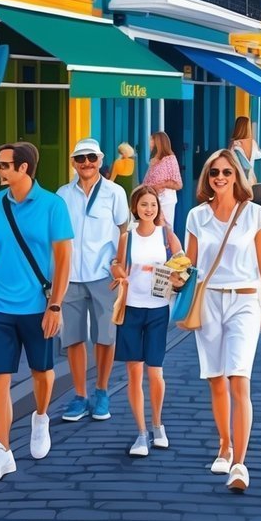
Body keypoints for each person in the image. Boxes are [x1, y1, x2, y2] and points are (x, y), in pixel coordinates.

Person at [0, 142, 72, 482]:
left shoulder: (53, 206)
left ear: (24, 169)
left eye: (4, 165)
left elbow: (64, 259)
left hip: (38, 307)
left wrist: (56, 305)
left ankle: (40, 417)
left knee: (41, 373)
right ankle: (3, 450)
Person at [186, 149, 261, 492]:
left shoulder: (254, 214)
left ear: (237, 176)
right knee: (216, 379)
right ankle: (224, 444)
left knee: (239, 379)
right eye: (214, 173)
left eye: (226, 172)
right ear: (207, 178)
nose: (220, 177)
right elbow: (190, 263)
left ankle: (239, 463)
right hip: (208, 301)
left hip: (244, 301)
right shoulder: (196, 217)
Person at [57, 138, 130, 424]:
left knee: (105, 336)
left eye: (91, 158)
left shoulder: (114, 192)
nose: (86, 163)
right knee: (73, 338)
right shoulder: (62, 194)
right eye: (80, 158)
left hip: (103, 275)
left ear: (100, 160)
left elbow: (124, 230)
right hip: (71, 276)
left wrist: (119, 264)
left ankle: (101, 391)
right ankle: (79, 394)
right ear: (74, 162)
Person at [110, 185, 183, 457]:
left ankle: (158, 424)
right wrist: (120, 273)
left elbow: (183, 264)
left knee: (155, 372)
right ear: (135, 208)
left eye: (153, 204)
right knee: (134, 372)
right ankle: (141, 433)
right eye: (143, 205)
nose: (149, 209)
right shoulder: (127, 238)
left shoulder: (166, 235)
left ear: (158, 208)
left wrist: (174, 273)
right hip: (130, 308)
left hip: (157, 308)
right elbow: (116, 263)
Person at [145, 132, 183, 230]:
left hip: (166, 200)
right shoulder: (153, 161)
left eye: (151, 140)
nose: (149, 143)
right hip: (152, 200)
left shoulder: (170, 159)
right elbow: (147, 181)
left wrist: (161, 185)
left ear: (158, 142)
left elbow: (178, 184)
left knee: (167, 229)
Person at [230, 116, 261, 203]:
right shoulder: (253, 142)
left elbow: (230, 159)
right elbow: (259, 155)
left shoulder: (235, 144)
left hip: (240, 180)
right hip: (252, 179)